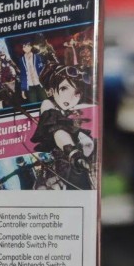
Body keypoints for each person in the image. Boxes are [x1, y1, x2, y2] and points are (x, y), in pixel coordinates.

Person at [31, 62, 96, 190]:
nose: (71, 97)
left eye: (77, 93)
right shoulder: (48, 105)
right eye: (64, 88)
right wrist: (72, 152)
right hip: (64, 169)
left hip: (82, 168)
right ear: (50, 91)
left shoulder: (75, 111)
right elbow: (58, 131)